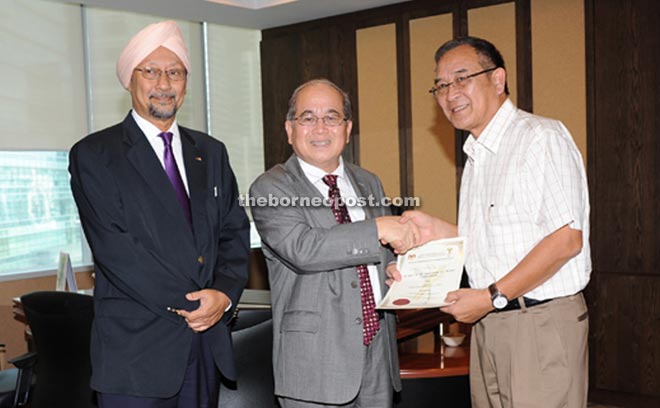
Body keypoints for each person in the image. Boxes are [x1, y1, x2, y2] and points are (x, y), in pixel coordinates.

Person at [395, 37, 591, 407]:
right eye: (441, 85)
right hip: (491, 321)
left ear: (498, 80)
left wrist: (491, 296)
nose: (450, 93)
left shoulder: (539, 137)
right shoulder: (477, 156)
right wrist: (432, 231)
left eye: (462, 78)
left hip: (538, 321)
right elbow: (490, 240)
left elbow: (567, 239)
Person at [69, 20, 249, 407]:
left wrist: (223, 294)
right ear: (129, 80)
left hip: (205, 346)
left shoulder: (211, 151)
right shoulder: (95, 154)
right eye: (150, 71)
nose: (164, 84)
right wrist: (195, 304)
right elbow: (117, 250)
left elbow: (234, 232)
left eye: (175, 72)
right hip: (135, 356)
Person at [249, 79, 418, 407]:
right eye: (307, 118)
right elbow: (304, 249)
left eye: (331, 117)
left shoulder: (369, 182)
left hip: (377, 357)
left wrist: (399, 270)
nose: (320, 128)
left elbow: (380, 257)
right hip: (315, 365)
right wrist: (378, 228)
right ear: (289, 129)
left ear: (348, 127)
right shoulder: (271, 187)